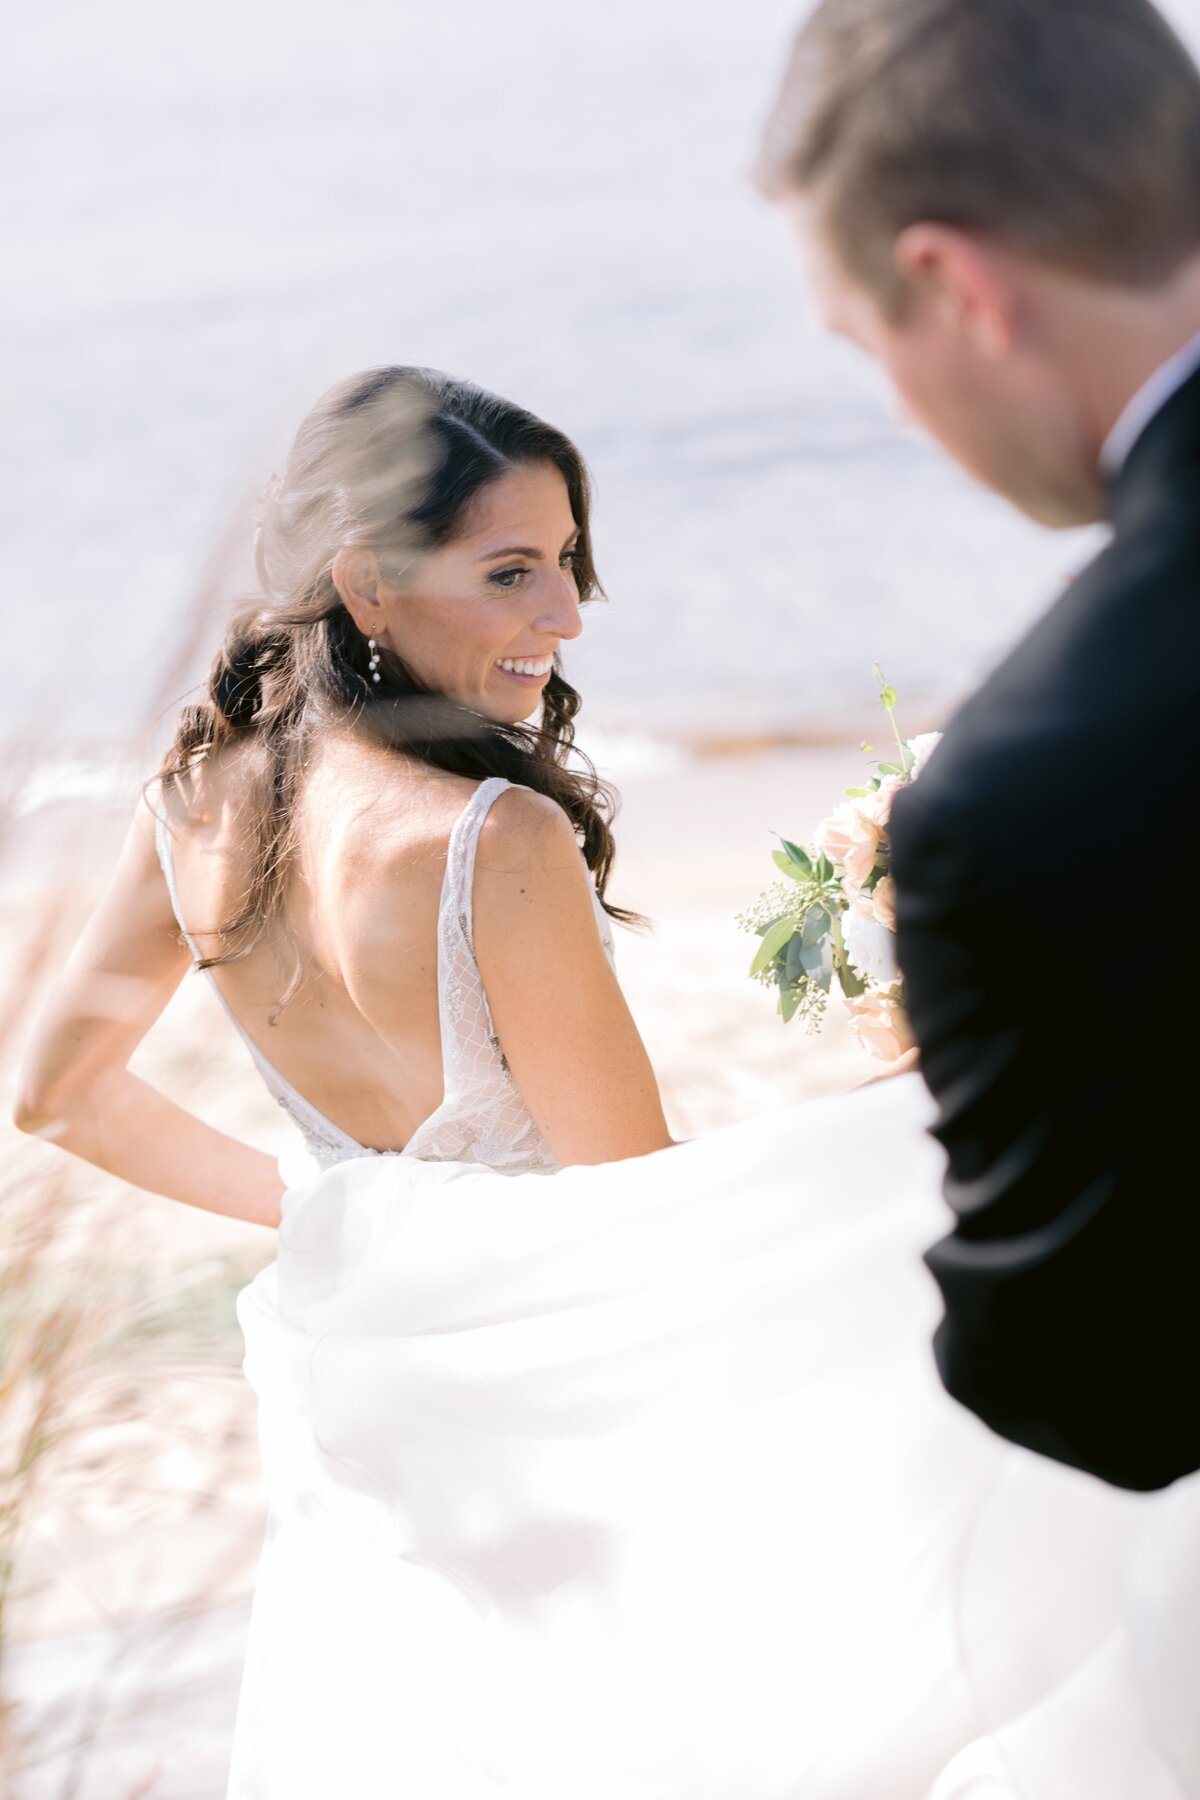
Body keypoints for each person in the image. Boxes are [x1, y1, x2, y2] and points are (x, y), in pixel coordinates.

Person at [16, 368, 1199, 1797]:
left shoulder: (193, 799)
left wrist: (346, 1215)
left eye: (568, 564)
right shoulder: (491, 838)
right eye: (512, 571)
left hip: (372, 1379)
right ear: (365, 586)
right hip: (553, 1384)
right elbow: (646, 1212)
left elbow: (57, 1094)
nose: (566, 617)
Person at [757, 0, 1200, 1496]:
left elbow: (1096, 1384)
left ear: (954, 287)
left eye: (867, 338)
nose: (899, 405)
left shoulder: (1042, 784)